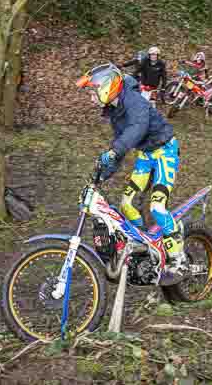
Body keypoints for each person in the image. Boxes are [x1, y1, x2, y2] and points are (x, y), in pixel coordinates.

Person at [75, 63, 188, 283]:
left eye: (93, 91)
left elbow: (138, 127)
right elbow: (120, 146)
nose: (91, 97)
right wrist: (100, 176)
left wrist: (115, 149)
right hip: (146, 156)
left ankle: (179, 260)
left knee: (157, 206)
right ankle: (144, 247)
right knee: (127, 204)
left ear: (107, 87)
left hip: (165, 152)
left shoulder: (134, 100)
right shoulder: (115, 110)